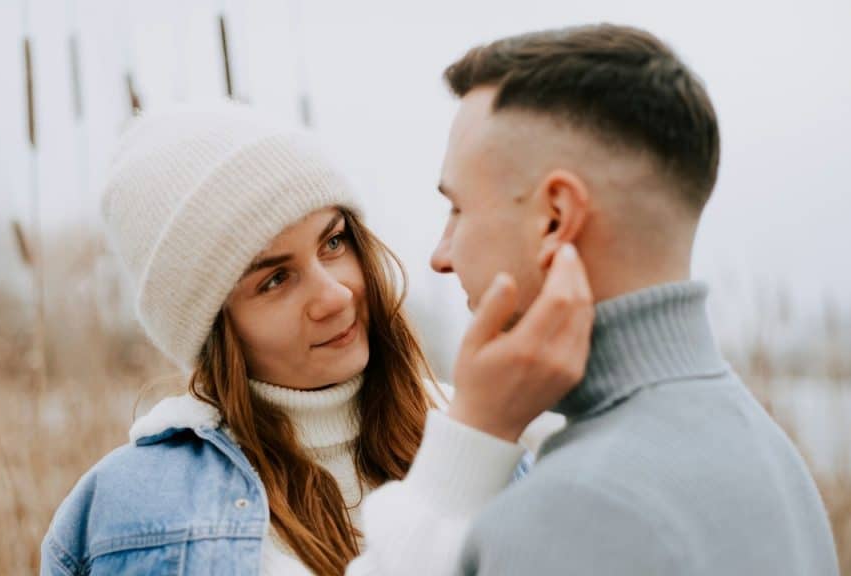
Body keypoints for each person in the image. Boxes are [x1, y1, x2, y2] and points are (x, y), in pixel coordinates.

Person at [351, 24, 839, 576]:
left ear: (555, 217)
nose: (441, 255)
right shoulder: (770, 452)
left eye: (458, 208)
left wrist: (462, 451)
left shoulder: (577, 507)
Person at [40, 102, 591, 576]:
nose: (335, 295)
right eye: (275, 279)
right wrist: (469, 457)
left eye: (333, 242)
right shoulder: (134, 509)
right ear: (212, 329)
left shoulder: (492, 436)